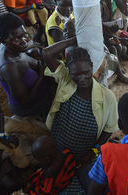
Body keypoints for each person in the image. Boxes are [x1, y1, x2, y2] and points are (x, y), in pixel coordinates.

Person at [42, 37, 118, 194]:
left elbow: (109, 128)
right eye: (75, 74)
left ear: (92, 67)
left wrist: (93, 152)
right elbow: (47, 53)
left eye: (86, 72)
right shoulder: (65, 80)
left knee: (96, 187)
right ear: (68, 71)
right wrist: (74, 39)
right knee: (58, 187)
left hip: (85, 156)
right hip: (60, 153)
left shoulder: (107, 97)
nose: (81, 78)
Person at [0, 12, 53, 117]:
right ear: (2, 40)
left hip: (40, 92)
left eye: (25, 35)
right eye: (16, 39)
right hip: (31, 107)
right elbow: (26, 103)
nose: (24, 41)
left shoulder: (12, 47)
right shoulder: (9, 67)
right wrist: (41, 75)